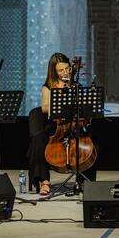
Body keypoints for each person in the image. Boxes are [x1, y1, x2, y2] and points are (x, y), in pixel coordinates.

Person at [27, 53, 97, 196]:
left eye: (67, 69)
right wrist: (60, 98)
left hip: (74, 126)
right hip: (55, 128)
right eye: (61, 70)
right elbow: (44, 108)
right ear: (54, 72)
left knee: (92, 139)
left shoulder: (76, 86)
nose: (65, 72)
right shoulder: (48, 87)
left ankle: (84, 181)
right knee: (38, 139)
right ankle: (44, 181)